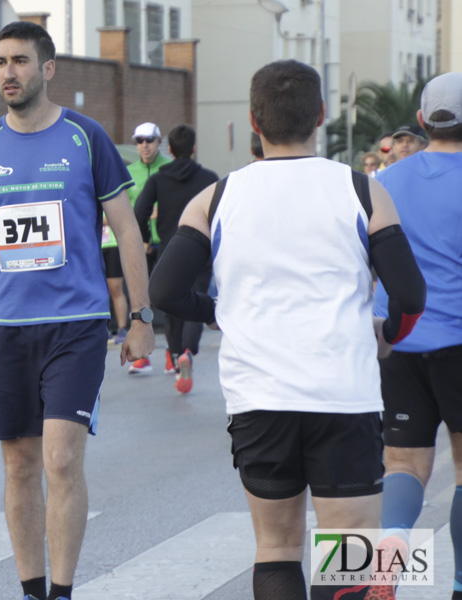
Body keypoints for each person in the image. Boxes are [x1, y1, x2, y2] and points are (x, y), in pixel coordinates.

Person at [149, 59, 425, 600]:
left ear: (254, 122)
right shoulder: (363, 190)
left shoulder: (218, 198)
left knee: (276, 550)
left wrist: (218, 312)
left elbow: (164, 294)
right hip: (343, 395)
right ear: (320, 115)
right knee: (350, 556)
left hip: (259, 399)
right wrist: (389, 332)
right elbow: (411, 295)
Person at [0, 21, 154, 600]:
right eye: (0, 62)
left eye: (19, 61)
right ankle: (32, 589)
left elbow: (126, 231)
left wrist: (141, 318)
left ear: (47, 68)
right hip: (6, 329)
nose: (8, 72)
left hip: (76, 325)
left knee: (61, 459)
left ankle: (62, 593)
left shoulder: (86, 139)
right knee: (19, 467)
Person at [375, 72, 462, 600]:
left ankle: (380, 568)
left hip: (400, 341)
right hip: (460, 342)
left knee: (402, 465)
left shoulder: (387, 179)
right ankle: (456, 583)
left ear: (425, 121)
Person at [134, 124, 217, 392]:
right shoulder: (209, 178)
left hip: (171, 248)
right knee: (198, 299)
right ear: (193, 149)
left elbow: (139, 211)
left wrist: (146, 237)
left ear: (169, 149)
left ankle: (174, 352)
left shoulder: (158, 178)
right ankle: (187, 354)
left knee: (172, 304)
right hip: (202, 250)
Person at [102, 122, 168, 362]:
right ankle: (141, 353)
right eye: (139, 141)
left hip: (166, 241)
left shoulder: (169, 168)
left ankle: (177, 349)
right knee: (140, 295)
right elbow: (117, 209)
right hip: (138, 244)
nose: (144, 145)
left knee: (166, 296)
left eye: (149, 140)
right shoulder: (129, 173)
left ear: (159, 142)